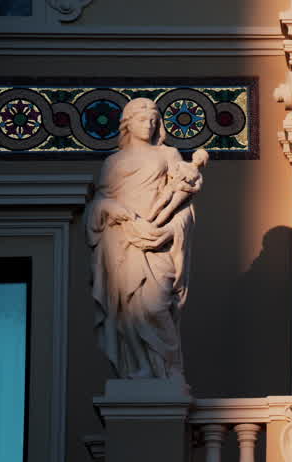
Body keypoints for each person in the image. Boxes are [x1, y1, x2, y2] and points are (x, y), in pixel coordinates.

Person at [85, 97, 205, 381]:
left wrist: (168, 230)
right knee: (126, 311)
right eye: (141, 119)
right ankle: (139, 367)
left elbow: (184, 209)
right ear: (127, 123)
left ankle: (167, 371)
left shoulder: (168, 155)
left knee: (154, 305)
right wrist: (114, 210)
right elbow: (99, 203)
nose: (148, 124)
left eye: (153, 119)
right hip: (122, 240)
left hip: (157, 241)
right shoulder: (113, 162)